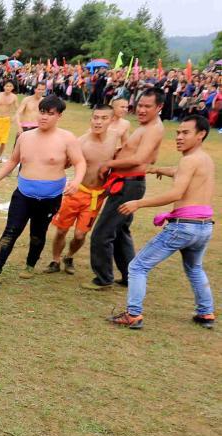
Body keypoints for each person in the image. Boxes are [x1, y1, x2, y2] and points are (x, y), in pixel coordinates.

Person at [107, 115, 215, 330]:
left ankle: (133, 314)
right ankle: (206, 313)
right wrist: (157, 169)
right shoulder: (204, 159)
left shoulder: (188, 160)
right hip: (203, 228)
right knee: (194, 268)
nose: (179, 137)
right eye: (178, 133)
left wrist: (139, 203)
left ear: (201, 134)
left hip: (183, 227)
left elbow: (176, 193)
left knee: (137, 266)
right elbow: (180, 173)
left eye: (185, 133)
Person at [0, 96, 86, 286]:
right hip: (23, 194)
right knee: (10, 232)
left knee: (38, 233)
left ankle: (30, 265)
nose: (44, 117)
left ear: (59, 116)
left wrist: (77, 181)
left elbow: (80, 162)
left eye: (50, 113)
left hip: (49, 198)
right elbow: (13, 161)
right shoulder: (25, 137)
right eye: (42, 112)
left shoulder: (67, 138)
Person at [85, 89, 165, 290]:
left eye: (148, 106)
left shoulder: (153, 128)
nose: (142, 110)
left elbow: (140, 159)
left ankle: (103, 279)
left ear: (159, 107)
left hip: (129, 185)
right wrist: (121, 153)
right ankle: (131, 275)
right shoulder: (146, 127)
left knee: (102, 233)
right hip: (128, 182)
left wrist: (108, 163)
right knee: (120, 231)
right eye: (140, 105)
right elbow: (150, 157)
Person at [44, 105, 120, 275]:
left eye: (103, 118)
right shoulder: (81, 142)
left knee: (80, 235)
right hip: (76, 192)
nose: (98, 122)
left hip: (97, 196)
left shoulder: (116, 137)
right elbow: (66, 162)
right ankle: (55, 260)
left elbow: (123, 157)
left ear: (112, 120)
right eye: (95, 117)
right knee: (62, 230)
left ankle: (69, 256)